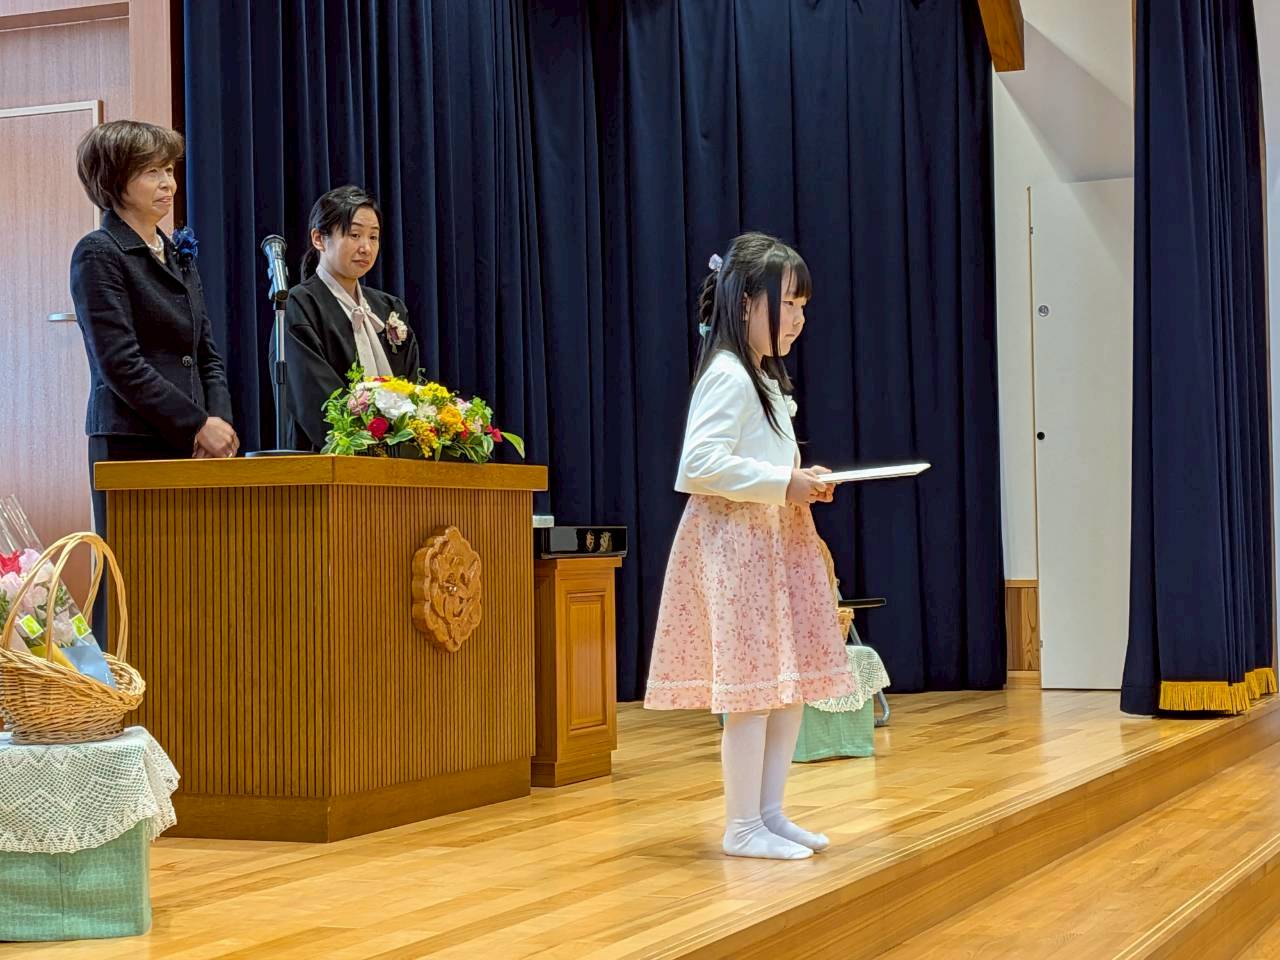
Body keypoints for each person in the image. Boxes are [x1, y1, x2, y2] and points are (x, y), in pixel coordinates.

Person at [644, 232, 854, 860]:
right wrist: (783, 483)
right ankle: (741, 826)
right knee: (753, 693)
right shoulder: (729, 374)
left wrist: (799, 480)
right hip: (738, 549)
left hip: (774, 543)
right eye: (787, 302)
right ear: (745, 303)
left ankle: (768, 813)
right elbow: (699, 464)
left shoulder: (760, 377)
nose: (798, 318)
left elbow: (757, 460)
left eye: (802, 305)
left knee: (786, 688)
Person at [70, 119, 239, 545]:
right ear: (115, 180)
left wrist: (219, 425)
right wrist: (197, 424)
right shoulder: (99, 252)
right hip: (132, 440)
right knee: (137, 570)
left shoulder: (178, 253)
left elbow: (206, 353)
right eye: (151, 172)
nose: (168, 183)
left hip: (196, 445)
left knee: (198, 568)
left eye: (169, 169)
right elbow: (119, 363)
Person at [275, 185, 421, 450]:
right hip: (329, 458)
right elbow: (315, 400)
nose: (366, 247)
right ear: (319, 239)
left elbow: (411, 387)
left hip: (396, 457)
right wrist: (369, 443)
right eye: (354, 235)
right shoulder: (299, 304)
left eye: (373, 237)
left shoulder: (389, 307)